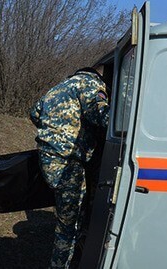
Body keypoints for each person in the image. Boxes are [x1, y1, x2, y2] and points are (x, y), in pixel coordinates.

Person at [29, 67, 109, 268]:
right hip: (68, 162)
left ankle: (75, 253)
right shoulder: (91, 84)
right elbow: (103, 117)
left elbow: (34, 112)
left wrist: (54, 131)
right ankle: (60, 264)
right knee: (69, 224)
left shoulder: (58, 88)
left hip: (49, 158)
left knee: (71, 213)